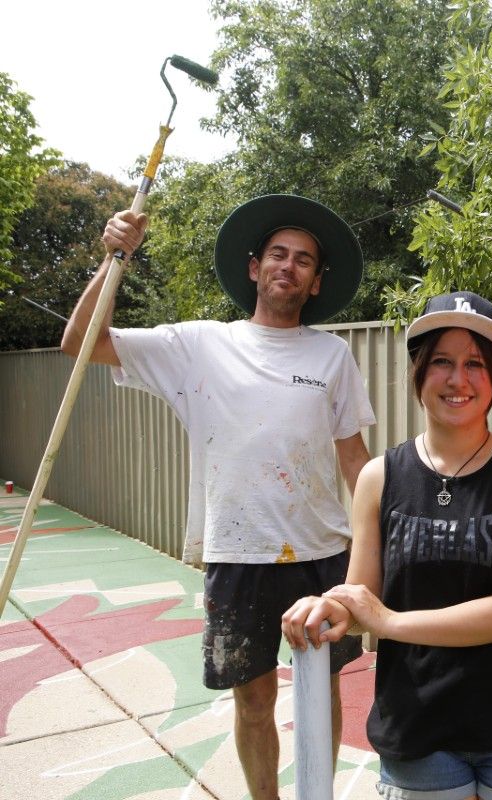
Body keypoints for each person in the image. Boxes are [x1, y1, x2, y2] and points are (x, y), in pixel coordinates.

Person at [61, 194, 375, 800]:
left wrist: (381, 538)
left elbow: (354, 459)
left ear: (315, 283)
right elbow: (80, 343)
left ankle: (319, 792)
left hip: (321, 552)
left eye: (304, 260)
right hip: (238, 553)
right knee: (254, 700)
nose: (289, 265)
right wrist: (115, 260)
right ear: (254, 268)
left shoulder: (332, 356)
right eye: (278, 254)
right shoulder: (196, 345)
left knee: (322, 689)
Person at [282, 291, 492, 800]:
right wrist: (329, 603)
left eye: (475, 364)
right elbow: (361, 592)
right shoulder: (378, 477)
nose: (458, 379)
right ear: (418, 373)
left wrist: (388, 622)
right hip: (416, 721)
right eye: (441, 361)